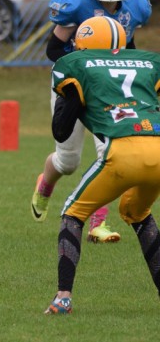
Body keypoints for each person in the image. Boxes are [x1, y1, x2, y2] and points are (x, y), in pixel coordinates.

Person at [31, 0, 152, 242]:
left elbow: (127, 49)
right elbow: (53, 50)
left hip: (108, 91)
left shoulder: (135, 7)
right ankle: (45, 184)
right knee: (68, 161)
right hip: (73, 88)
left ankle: (98, 222)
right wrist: (85, 68)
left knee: (110, 152)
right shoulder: (74, 5)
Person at [43, 16, 160, 314]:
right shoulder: (148, 61)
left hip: (121, 153)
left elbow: (61, 130)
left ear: (81, 42)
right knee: (137, 213)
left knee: (73, 213)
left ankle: (63, 298)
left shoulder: (76, 64)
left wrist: (80, 102)